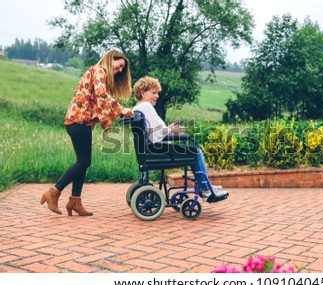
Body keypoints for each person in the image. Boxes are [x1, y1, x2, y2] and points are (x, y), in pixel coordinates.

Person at [40, 49, 134, 216]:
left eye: (121, 69)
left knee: (82, 161)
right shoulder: (99, 70)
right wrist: (121, 110)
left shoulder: (95, 72)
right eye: (119, 66)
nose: (119, 70)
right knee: (83, 162)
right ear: (111, 59)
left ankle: (75, 201)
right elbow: (101, 95)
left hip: (81, 122)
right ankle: (54, 192)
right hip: (78, 121)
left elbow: (97, 100)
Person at [132, 76, 228, 202]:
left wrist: (169, 129)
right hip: (156, 151)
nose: (157, 96)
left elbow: (152, 131)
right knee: (196, 152)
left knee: (192, 151)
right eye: (154, 92)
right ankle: (205, 190)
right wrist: (172, 130)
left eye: (157, 93)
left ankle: (206, 185)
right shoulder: (146, 106)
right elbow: (155, 135)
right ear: (143, 93)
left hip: (149, 150)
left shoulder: (137, 108)